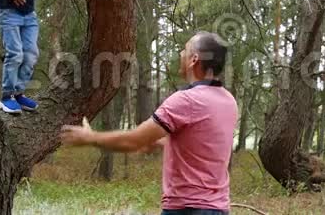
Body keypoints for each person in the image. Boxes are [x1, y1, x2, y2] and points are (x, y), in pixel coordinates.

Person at [61, 32, 239, 215]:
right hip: (218, 209)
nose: (180, 53)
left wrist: (91, 138)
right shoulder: (228, 101)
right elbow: (204, 143)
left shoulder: (186, 101)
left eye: (184, 50)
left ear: (194, 59)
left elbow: (133, 141)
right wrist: (163, 142)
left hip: (188, 208)